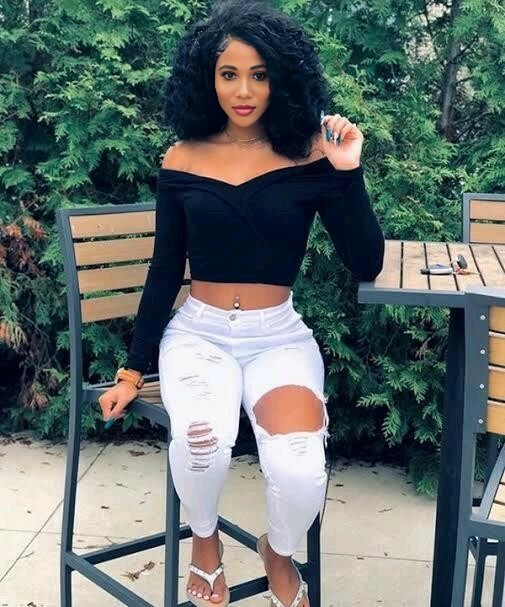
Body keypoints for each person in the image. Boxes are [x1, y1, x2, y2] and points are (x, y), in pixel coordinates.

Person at [98, 1, 385, 605]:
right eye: (229, 74)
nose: (244, 91)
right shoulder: (182, 157)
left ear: (282, 78)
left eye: (259, 74)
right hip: (198, 336)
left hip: (278, 338)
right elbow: (164, 270)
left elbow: (366, 263)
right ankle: (204, 543)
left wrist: (348, 172)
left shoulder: (311, 156)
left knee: (300, 466)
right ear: (208, 78)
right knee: (202, 442)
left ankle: (277, 548)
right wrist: (131, 370)